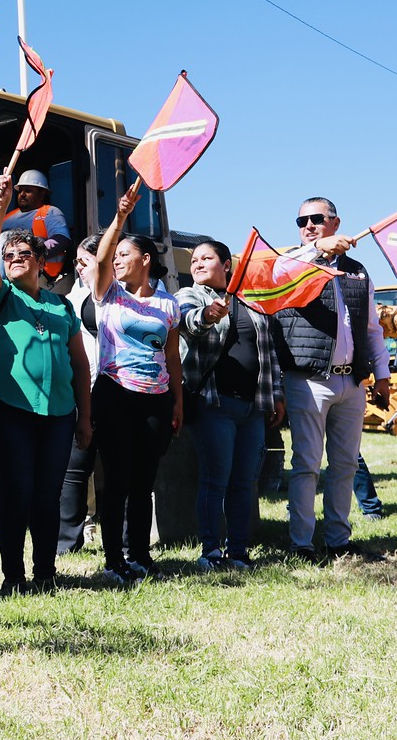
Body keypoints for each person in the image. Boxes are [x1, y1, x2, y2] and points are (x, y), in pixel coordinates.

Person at [0, 173, 94, 592]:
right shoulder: (0, 297)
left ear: (42, 262)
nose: (15, 259)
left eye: (24, 253)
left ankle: (45, 575)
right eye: (9, 256)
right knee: (17, 492)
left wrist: (84, 417)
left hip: (60, 413)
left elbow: (79, 363)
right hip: (10, 412)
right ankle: (13, 578)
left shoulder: (61, 306)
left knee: (48, 495)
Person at [273, 197, 391, 560]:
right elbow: (279, 277)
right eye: (301, 220)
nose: (307, 225)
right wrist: (315, 250)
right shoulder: (293, 261)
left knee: (344, 464)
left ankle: (338, 539)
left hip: (351, 382)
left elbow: (372, 329)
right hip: (309, 380)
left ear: (335, 223)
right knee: (306, 464)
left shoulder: (357, 271)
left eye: (316, 219)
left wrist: (382, 374)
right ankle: (302, 543)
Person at [90, 181, 183, 582]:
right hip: (114, 395)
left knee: (144, 480)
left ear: (146, 259)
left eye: (126, 255)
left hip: (156, 399)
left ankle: (140, 556)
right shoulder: (108, 292)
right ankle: (113, 560)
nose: (117, 260)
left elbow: (173, 356)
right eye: (116, 255)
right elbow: (100, 259)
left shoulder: (169, 303)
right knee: (117, 479)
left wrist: (177, 401)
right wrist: (120, 217)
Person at [176, 237, 282, 569]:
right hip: (214, 403)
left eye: (206, 258)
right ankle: (210, 551)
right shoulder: (189, 295)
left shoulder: (252, 302)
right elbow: (186, 322)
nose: (197, 264)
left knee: (243, 482)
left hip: (253, 408)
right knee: (215, 480)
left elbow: (269, 353)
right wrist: (207, 315)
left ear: (226, 266)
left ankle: (238, 552)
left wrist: (276, 394)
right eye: (194, 260)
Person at [55, 241, 103, 555]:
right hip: (82, 391)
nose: (79, 268)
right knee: (74, 470)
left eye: (86, 262)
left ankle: (120, 537)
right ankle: (66, 542)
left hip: (119, 390)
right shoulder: (72, 298)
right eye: (78, 263)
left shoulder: (125, 296)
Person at [0, 169, 73, 290]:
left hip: (38, 275)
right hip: (6, 267)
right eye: (20, 191)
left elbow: (62, 238)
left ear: (42, 194)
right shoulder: (7, 217)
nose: (22, 194)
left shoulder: (50, 212)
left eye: (28, 191)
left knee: (5, 237)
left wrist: (32, 253)